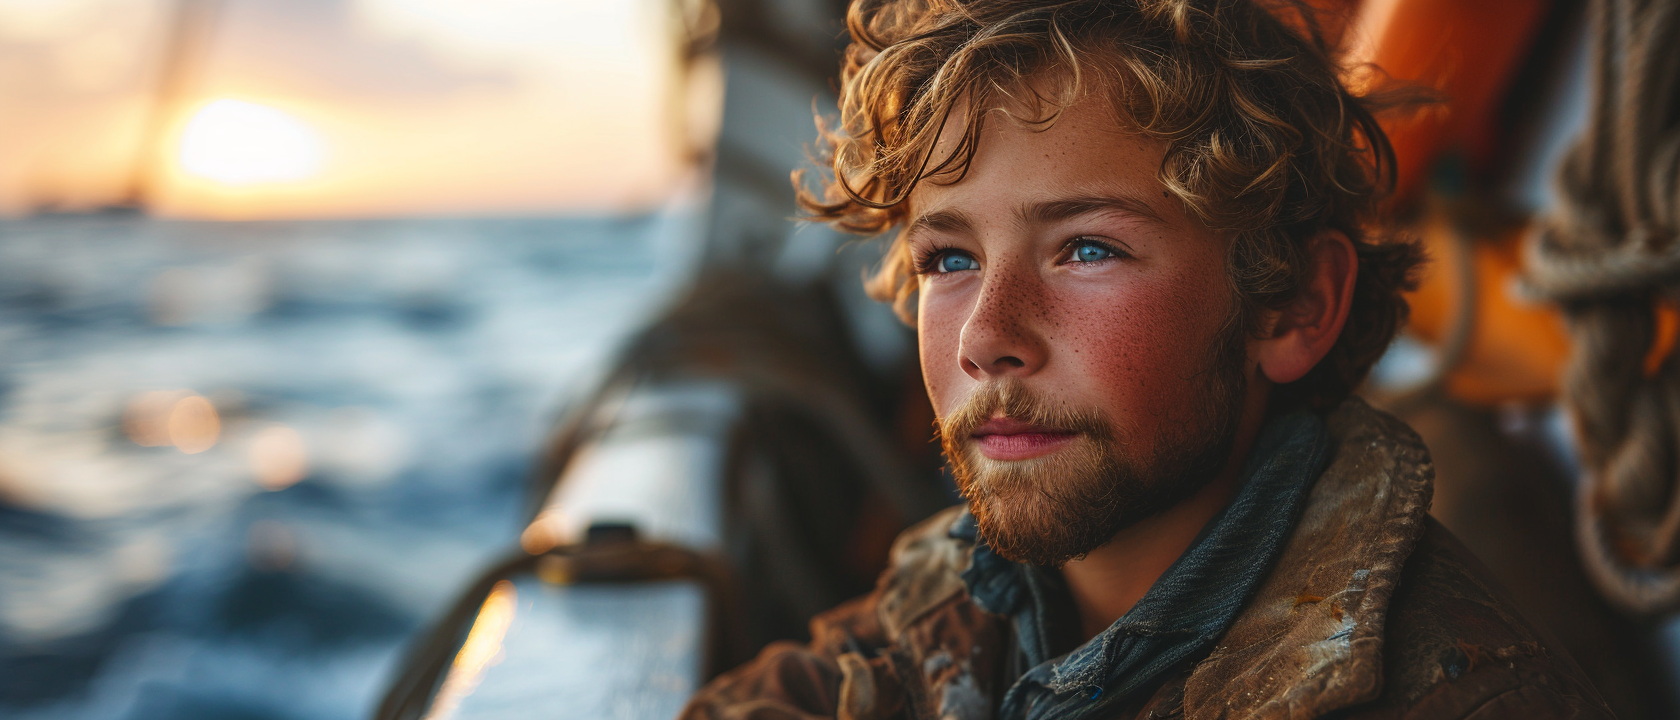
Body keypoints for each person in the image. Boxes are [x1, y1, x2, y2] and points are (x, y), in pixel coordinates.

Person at [680, 0, 1615, 717]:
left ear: (1293, 304)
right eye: (950, 259)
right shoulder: (952, 608)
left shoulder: (1460, 695)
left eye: (1087, 249)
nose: (985, 334)